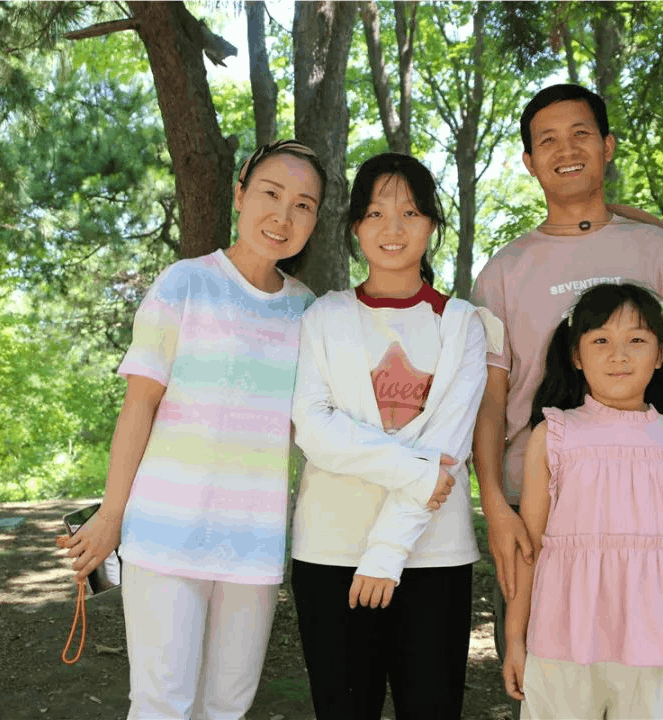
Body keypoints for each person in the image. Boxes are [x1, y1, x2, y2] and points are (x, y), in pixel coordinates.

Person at [472, 84, 663, 719]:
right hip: (537, 513)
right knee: (552, 683)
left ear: (608, 146)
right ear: (529, 161)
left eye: (581, 134)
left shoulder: (659, 250)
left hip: (657, 512)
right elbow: (490, 399)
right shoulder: (503, 271)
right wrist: (495, 506)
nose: (566, 150)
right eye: (547, 140)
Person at [58, 139, 325, 719]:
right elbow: (139, 407)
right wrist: (111, 515)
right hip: (165, 534)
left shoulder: (309, 310)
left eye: (303, 205)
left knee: (227, 706)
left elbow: (316, 426)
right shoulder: (184, 284)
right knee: (163, 704)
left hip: (254, 541)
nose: (283, 216)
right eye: (271, 193)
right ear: (240, 194)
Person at [289, 152, 503, 720]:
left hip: (434, 556)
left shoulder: (462, 324)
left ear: (432, 223)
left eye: (410, 212)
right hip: (330, 552)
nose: (393, 228)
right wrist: (415, 473)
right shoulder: (324, 317)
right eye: (376, 213)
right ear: (356, 226)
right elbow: (314, 428)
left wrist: (386, 553)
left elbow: (448, 448)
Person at [502, 282, 663, 719]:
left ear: (661, 353)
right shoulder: (554, 435)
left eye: (637, 340)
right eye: (601, 341)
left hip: (656, 641)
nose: (619, 355)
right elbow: (529, 548)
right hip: (562, 638)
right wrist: (515, 639)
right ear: (576, 355)